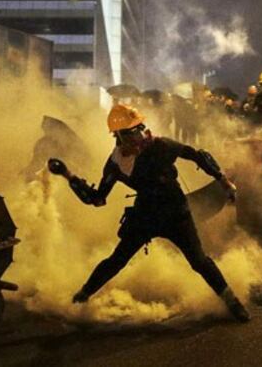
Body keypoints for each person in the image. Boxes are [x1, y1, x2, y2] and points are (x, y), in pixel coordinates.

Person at [47, 104, 250, 322]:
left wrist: (224, 182)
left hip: (176, 213)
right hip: (146, 216)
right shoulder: (116, 163)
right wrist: (68, 175)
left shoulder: (160, 145)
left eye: (139, 128)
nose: (138, 135)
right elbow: (97, 199)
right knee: (117, 260)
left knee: (199, 261)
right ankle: (81, 297)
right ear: (118, 136)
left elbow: (196, 155)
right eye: (130, 132)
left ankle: (232, 302)